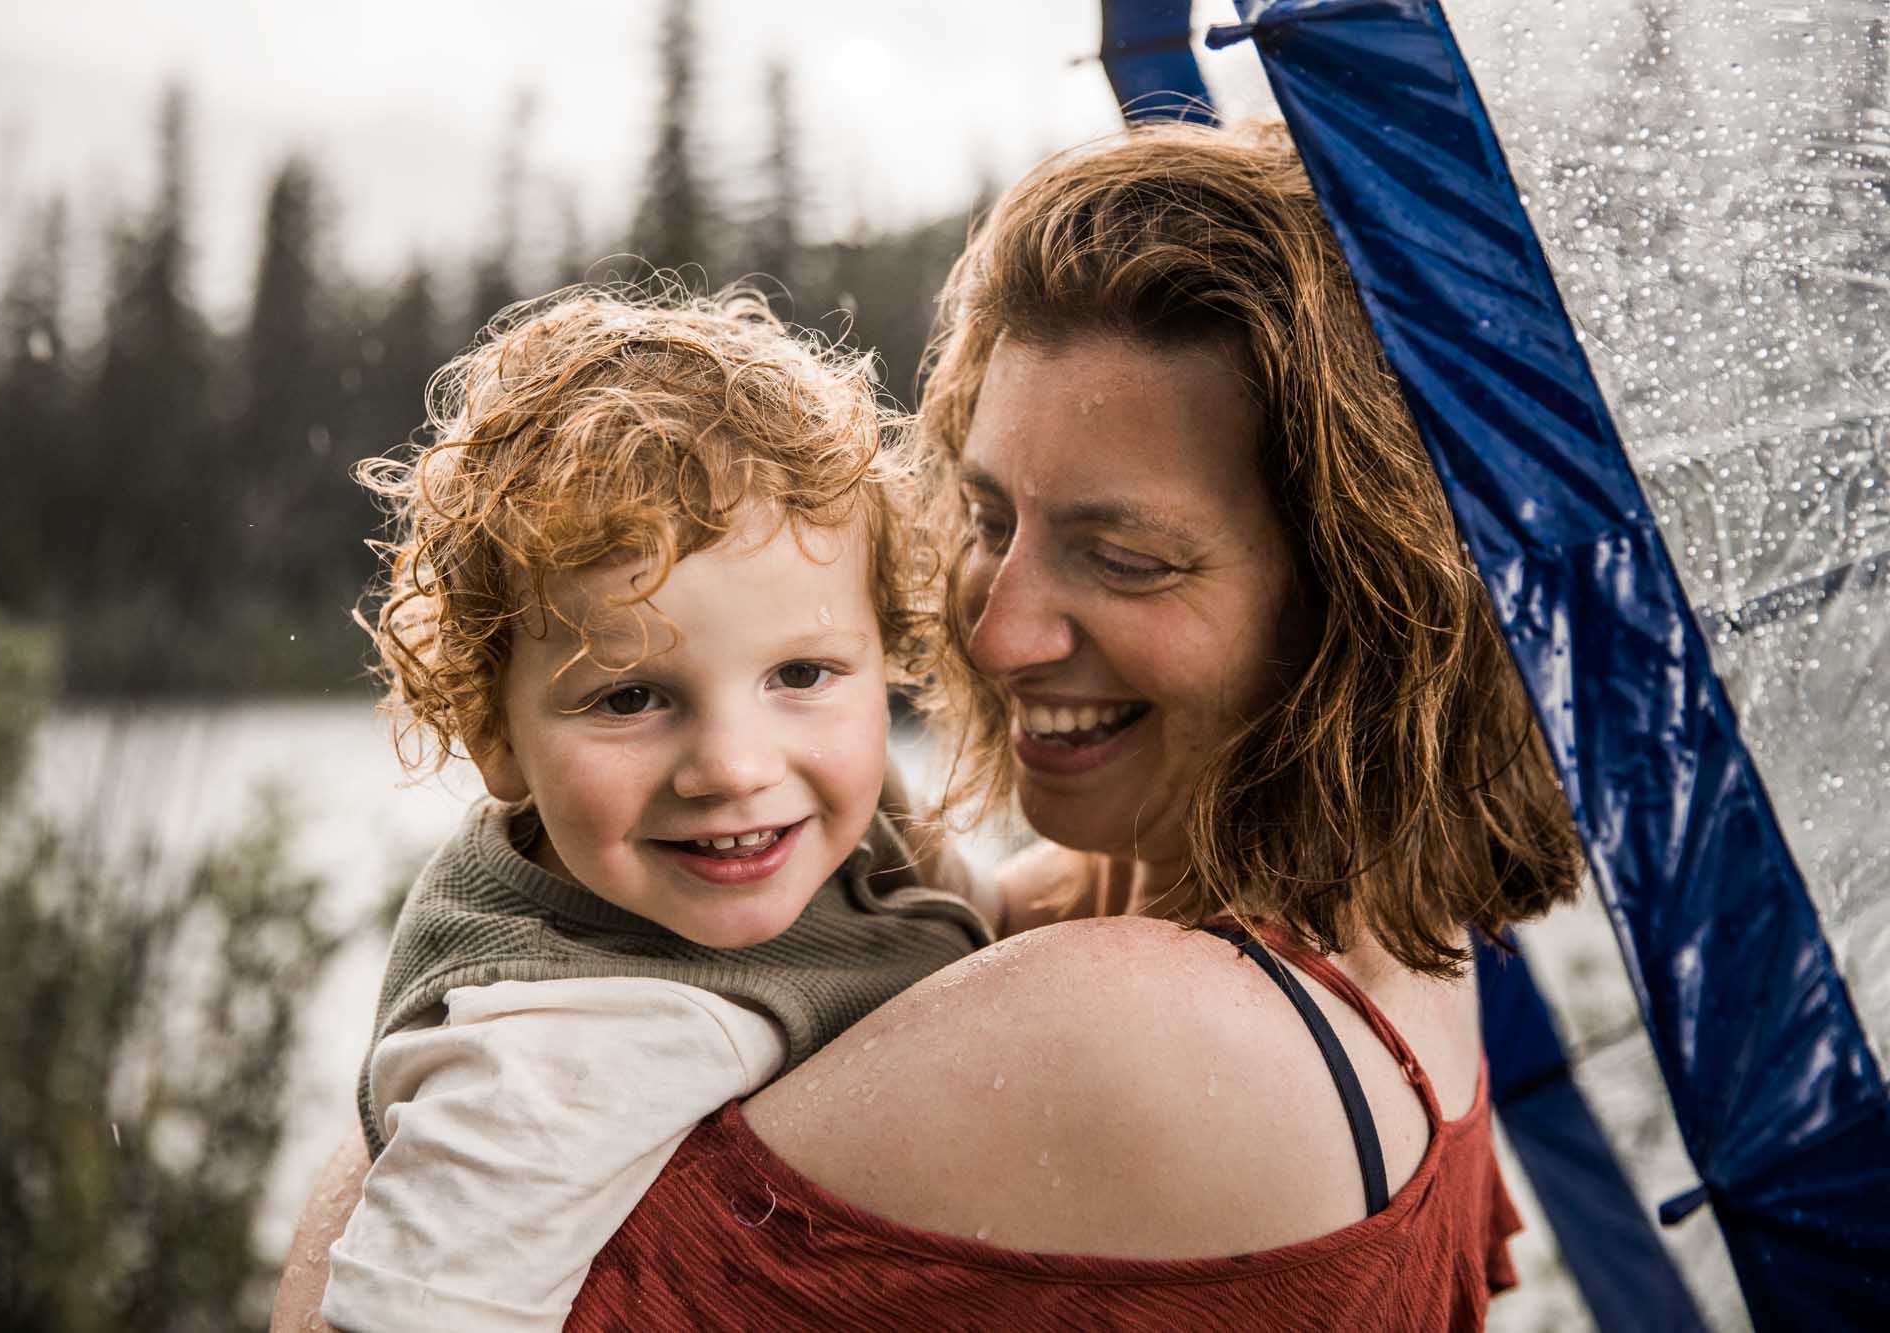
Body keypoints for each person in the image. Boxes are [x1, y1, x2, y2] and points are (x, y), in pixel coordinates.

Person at [274, 121, 1580, 1332]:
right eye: (993, 519)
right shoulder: (1385, 944)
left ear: (1367, 598)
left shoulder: (1142, 1027)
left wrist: (507, 934)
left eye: (1122, 556)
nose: (998, 630)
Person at [315, 289, 991, 1332]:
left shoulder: (816, 822)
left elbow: (985, 912)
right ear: (493, 733)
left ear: (882, 655)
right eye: (629, 697)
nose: (730, 764)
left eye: (800, 673)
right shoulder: (551, 1053)